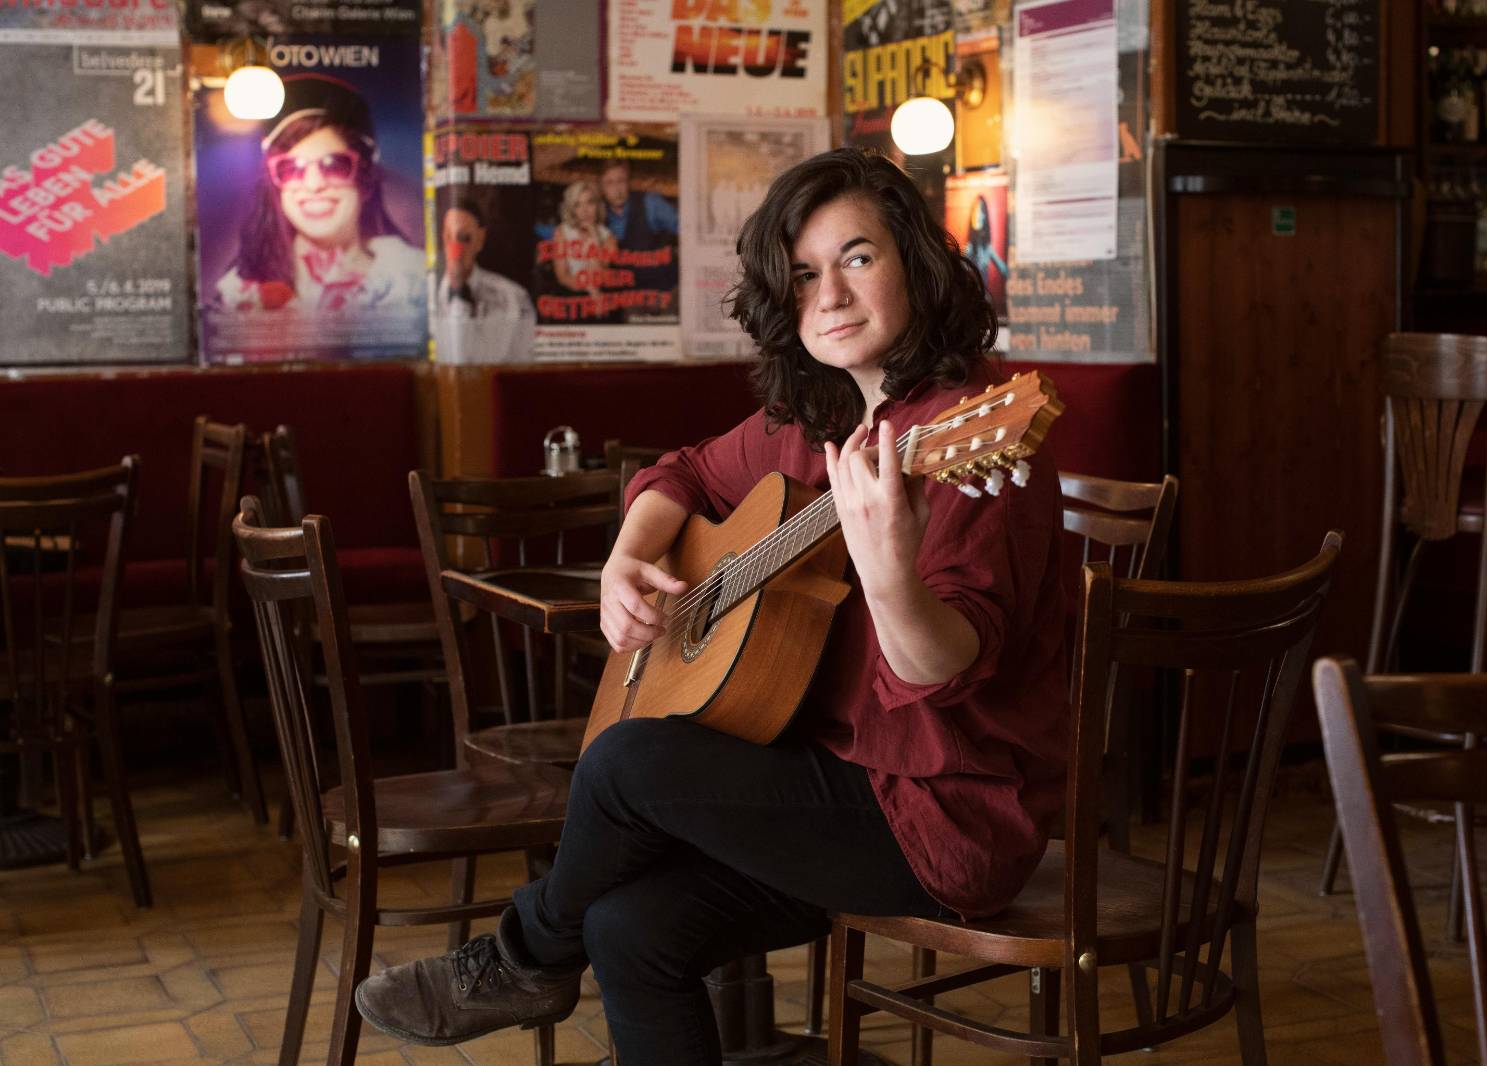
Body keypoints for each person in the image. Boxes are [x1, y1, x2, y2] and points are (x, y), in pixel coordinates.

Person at [353, 147, 1070, 1065]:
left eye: (858, 258)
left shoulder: (966, 441)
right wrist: (628, 556)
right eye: (805, 273)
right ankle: (551, 948)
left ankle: (523, 956)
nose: (832, 295)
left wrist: (888, 567)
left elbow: (944, 668)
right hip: (826, 784)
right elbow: (682, 471)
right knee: (628, 929)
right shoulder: (815, 423)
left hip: (939, 821)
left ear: (917, 265)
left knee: (627, 762)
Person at [213, 74, 426, 319]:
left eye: (334, 165)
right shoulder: (236, 295)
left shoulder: (412, 282)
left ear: (365, 178)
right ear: (275, 186)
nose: (314, 185)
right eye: (291, 169)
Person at [432, 194, 534, 364]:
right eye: (449, 236)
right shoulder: (422, 296)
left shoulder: (514, 297)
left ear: (480, 239)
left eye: (465, 238)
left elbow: (525, 362)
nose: (455, 248)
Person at [598, 156, 679, 300]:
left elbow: (687, 229)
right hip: (627, 298)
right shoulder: (598, 216)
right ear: (602, 187)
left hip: (663, 291)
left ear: (628, 181)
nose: (617, 189)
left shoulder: (650, 203)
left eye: (621, 181)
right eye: (609, 183)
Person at [550, 178, 617, 304]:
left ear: (598, 205)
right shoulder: (562, 232)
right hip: (570, 295)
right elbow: (562, 277)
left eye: (590, 203)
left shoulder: (609, 238)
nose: (584, 210)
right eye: (577, 205)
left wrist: (596, 239)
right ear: (572, 209)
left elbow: (601, 278)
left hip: (600, 298)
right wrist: (591, 290)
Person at [962, 193, 1008, 311]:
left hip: (984, 301)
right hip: (968, 303)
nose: (977, 216)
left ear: (985, 216)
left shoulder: (987, 249)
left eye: (981, 211)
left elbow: (1004, 270)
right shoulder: (968, 249)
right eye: (975, 211)